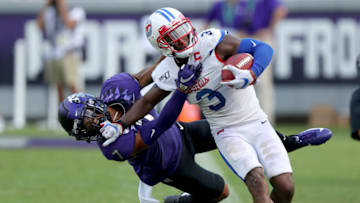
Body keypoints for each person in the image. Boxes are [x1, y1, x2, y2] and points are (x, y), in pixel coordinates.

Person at [98, 7, 331, 203]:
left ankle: (294, 140)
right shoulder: (168, 70)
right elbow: (148, 101)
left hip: (256, 120)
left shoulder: (210, 41)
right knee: (257, 182)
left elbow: (263, 48)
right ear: (162, 45)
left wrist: (251, 73)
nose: (183, 36)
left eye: (182, 28)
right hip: (225, 130)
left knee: (286, 187)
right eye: (174, 35)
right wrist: (120, 124)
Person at [58, 57, 331, 203]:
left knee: (238, 125)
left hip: (182, 132)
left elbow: (152, 73)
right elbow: (157, 126)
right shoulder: (112, 147)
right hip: (169, 166)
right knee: (220, 193)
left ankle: (292, 140)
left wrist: (177, 59)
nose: (92, 124)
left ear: (93, 103)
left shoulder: (115, 87)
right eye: (85, 127)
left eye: (89, 117)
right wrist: (182, 88)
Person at [205, 0, 288, 124]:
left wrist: (270, 29)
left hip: (259, 38)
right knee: (235, 78)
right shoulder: (224, 5)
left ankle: (267, 120)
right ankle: (240, 118)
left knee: (263, 82)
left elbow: (281, 9)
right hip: (239, 40)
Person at [37, 0, 86, 103]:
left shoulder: (76, 9)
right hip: (55, 53)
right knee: (58, 87)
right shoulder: (50, 11)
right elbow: (40, 26)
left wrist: (61, 5)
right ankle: (63, 114)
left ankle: (79, 113)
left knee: (73, 85)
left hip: (69, 53)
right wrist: (47, 5)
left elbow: (69, 24)